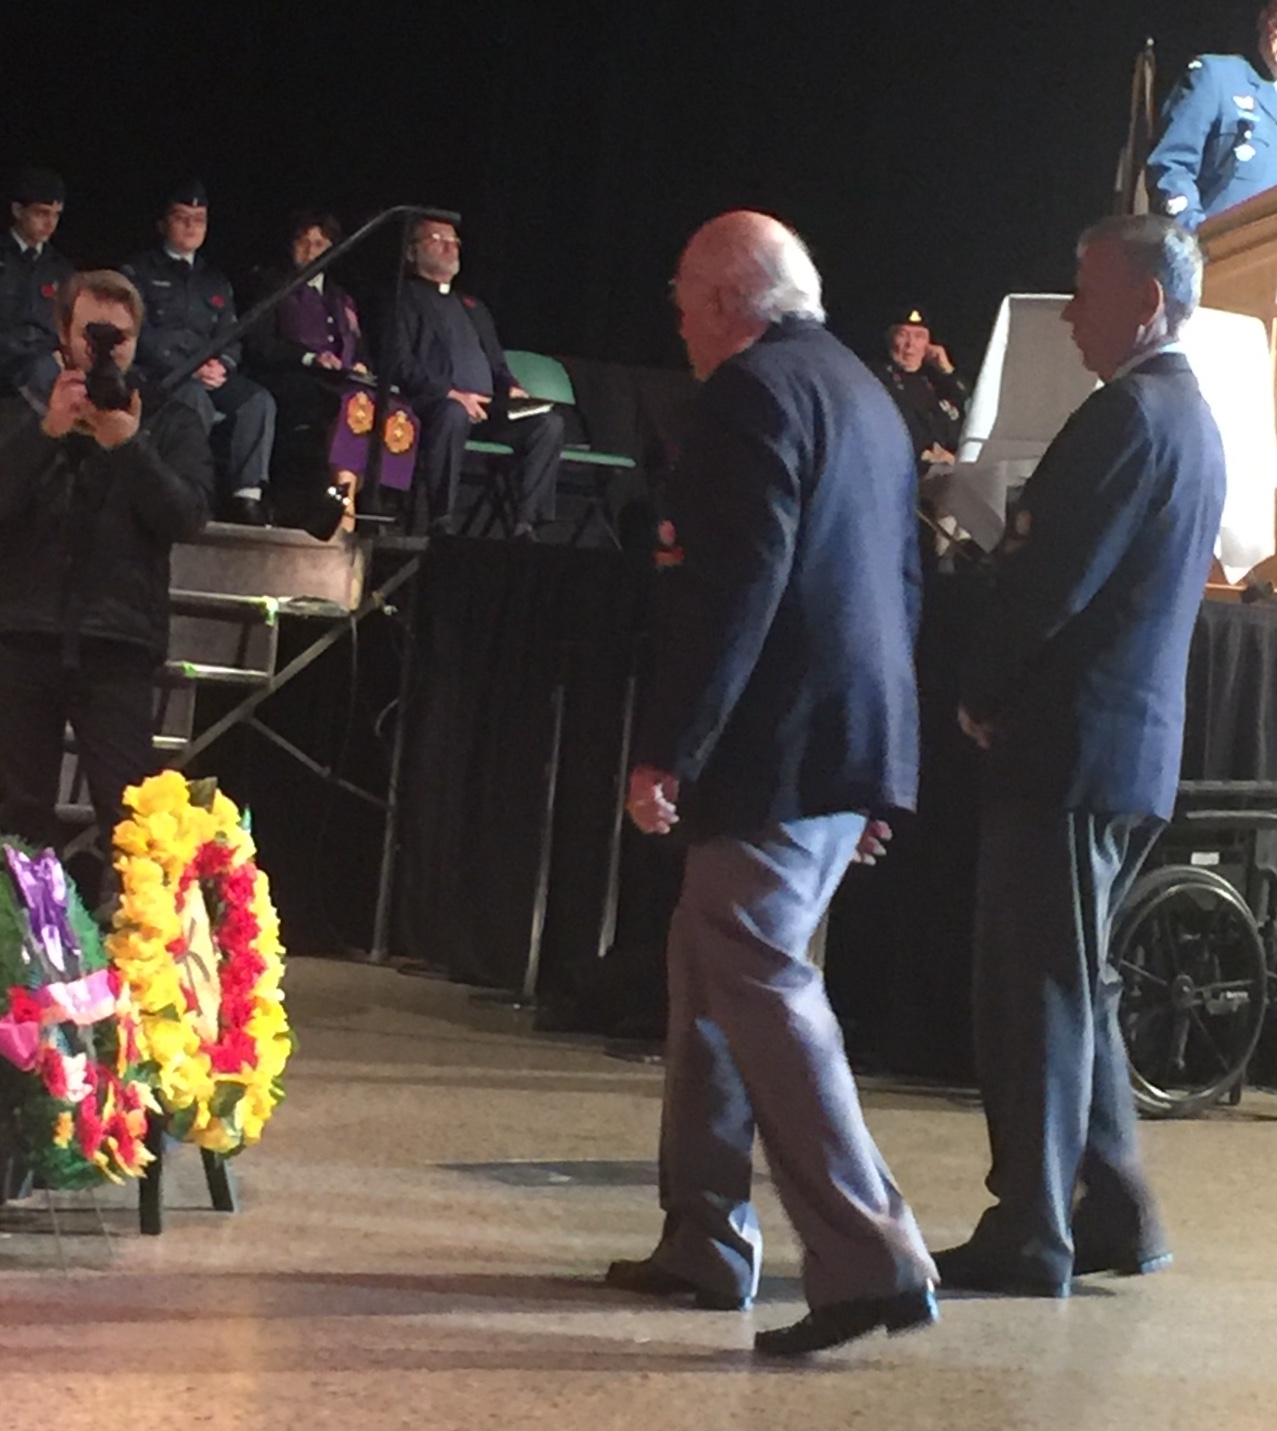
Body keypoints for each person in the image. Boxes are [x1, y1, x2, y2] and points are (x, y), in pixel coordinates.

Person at [606, 210, 937, 1357]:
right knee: (708, 967)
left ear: (727, 302)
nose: (681, 321)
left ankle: (868, 1256)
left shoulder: (748, 395)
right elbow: (900, 586)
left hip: (776, 750)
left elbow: (730, 591)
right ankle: (704, 1235)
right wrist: (882, 777)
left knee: (749, 965)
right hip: (840, 745)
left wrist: (670, 749)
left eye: (685, 300)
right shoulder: (862, 392)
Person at [935, 215, 1226, 1297]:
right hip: (1123, 750)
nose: (1067, 315)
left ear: (1145, 303)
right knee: (1080, 991)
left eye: (1085, 294)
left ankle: (1029, 1231)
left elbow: (1045, 581)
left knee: (1034, 1000)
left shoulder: (1125, 417)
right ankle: (1115, 1210)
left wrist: (976, 692)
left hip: (1065, 749)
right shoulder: (1189, 420)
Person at [0, 269, 213, 869]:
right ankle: (20, 955)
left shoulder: (170, 421)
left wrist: (128, 444)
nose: (105, 349)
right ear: (62, 335)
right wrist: (48, 433)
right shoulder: (20, 415)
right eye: (91, 335)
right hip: (22, 634)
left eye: (117, 337)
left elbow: (186, 517)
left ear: (137, 340)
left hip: (118, 643)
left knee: (130, 823)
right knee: (16, 816)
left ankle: (129, 954)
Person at [390, 213, 562, 537]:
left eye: (454, 241)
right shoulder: (403, 299)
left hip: (487, 409)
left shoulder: (473, 306)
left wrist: (511, 387)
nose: (450, 247)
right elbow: (400, 364)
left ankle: (526, 523)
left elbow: (497, 365)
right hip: (436, 405)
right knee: (453, 414)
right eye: (438, 240)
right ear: (412, 252)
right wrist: (450, 393)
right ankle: (441, 519)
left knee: (548, 425)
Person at [122, 181, 275, 525]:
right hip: (163, 376)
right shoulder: (138, 272)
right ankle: (191, 490)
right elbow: (138, 333)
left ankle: (246, 497)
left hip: (207, 374)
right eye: (182, 218)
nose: (191, 227)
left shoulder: (215, 281)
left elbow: (231, 335)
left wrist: (222, 364)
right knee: (194, 399)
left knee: (257, 401)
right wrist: (189, 369)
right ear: (163, 223)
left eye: (199, 219)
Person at [245, 209, 366, 528]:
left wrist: (362, 364)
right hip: (289, 378)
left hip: (338, 382)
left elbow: (358, 346)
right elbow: (260, 344)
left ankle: (352, 504)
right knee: (333, 407)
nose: (312, 251)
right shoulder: (272, 285)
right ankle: (338, 511)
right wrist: (310, 358)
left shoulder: (341, 298)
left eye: (321, 244)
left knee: (377, 408)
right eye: (305, 242)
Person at [1146, 3, 1277, 231]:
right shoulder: (1217, 76)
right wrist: (1198, 239)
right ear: (1263, 20)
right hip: (1222, 256)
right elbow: (1171, 166)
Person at [0, 167, 74, 401]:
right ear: (18, 210)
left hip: (44, 370)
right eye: (41, 213)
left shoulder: (60, 269)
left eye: (56, 214)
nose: (50, 222)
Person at [871, 306, 968, 468]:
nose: (911, 345)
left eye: (919, 336)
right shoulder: (877, 378)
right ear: (889, 339)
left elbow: (972, 410)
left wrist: (948, 372)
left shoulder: (933, 381)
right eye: (903, 335)